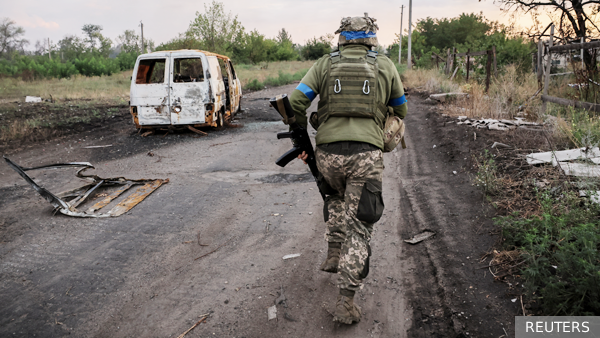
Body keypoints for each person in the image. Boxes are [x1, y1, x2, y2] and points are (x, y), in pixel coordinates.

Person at [289, 13, 408, 324]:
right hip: (365, 157)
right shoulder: (384, 64)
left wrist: (302, 134)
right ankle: (345, 303)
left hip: (328, 154)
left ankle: (333, 254)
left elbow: (295, 102)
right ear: (372, 37)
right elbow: (402, 108)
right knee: (361, 226)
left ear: (341, 37)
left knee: (335, 198)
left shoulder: (325, 64)